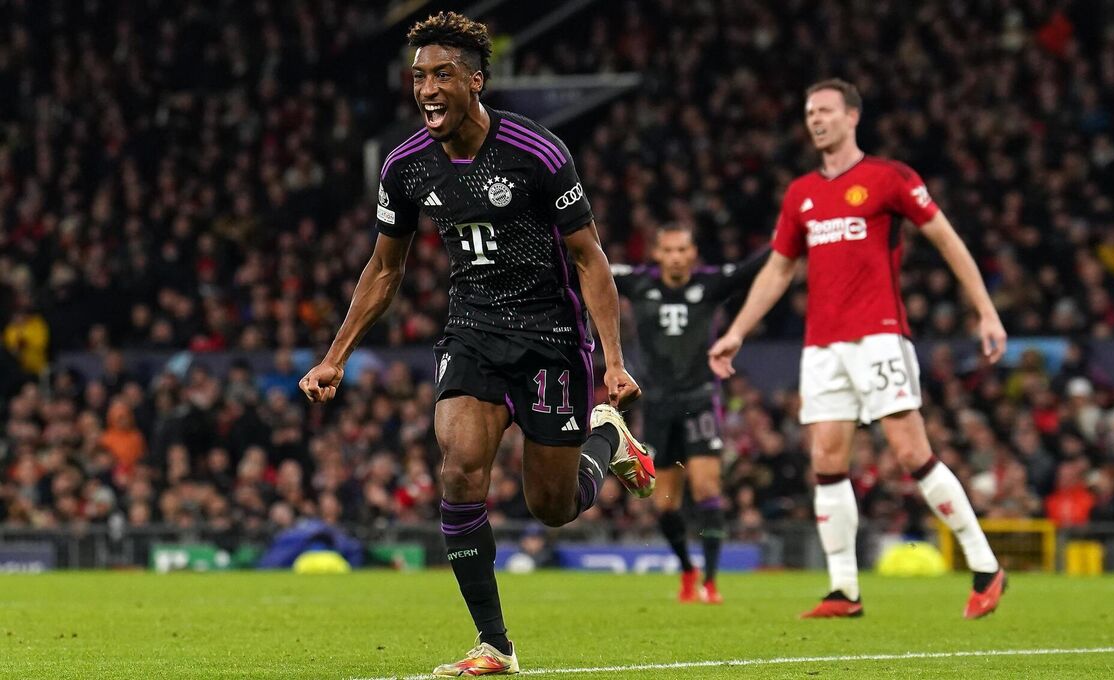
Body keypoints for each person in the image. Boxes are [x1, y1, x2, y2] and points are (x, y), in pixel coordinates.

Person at [297, 12, 655, 676]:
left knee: (553, 507)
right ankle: (495, 644)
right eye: (418, 76)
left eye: (442, 75)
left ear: (476, 81)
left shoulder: (538, 152)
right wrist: (335, 354)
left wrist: (614, 361)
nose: (427, 88)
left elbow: (589, 259)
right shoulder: (406, 167)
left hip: (551, 338)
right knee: (459, 467)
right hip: (474, 333)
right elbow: (384, 269)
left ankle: (608, 439)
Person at [709, 79, 1008, 620]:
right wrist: (738, 330)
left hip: (879, 334)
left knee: (911, 452)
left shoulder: (888, 178)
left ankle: (986, 566)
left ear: (852, 117)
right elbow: (780, 268)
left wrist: (985, 310)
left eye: (824, 110)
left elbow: (946, 239)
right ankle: (844, 589)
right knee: (825, 460)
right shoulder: (800, 192)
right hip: (822, 345)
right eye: (808, 112)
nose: (815, 119)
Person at [612, 224, 767, 604]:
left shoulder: (711, 284)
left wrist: (785, 235)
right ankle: (686, 569)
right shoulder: (637, 282)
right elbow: (590, 264)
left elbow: (750, 269)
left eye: (683, 249)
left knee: (707, 488)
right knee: (664, 502)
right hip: (659, 404)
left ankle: (711, 583)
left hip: (700, 399)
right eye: (670, 250)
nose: (677, 256)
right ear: (658, 254)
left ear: (693, 253)